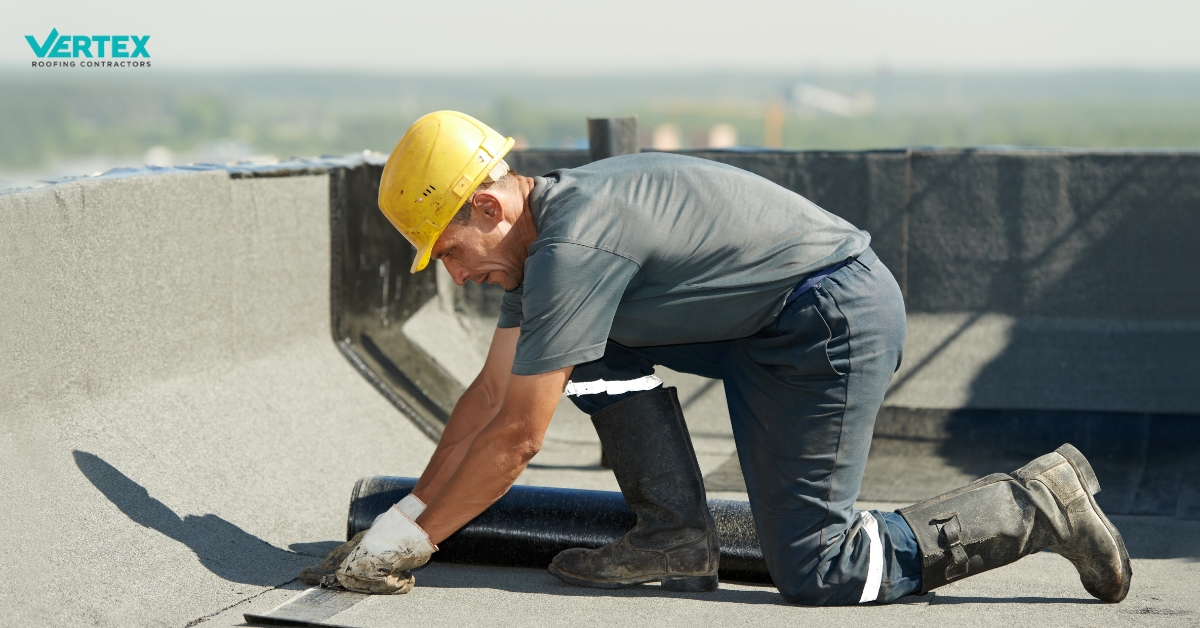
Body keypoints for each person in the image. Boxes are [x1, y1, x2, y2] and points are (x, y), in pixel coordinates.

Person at [319, 111, 1131, 605]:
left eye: (453, 251)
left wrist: (412, 545)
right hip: (768, 325)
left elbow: (515, 441)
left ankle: (1032, 507)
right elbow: (488, 400)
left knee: (820, 570)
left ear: (490, 206)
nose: (457, 275)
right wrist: (401, 516)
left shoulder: (573, 246)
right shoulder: (542, 252)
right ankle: (675, 535)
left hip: (829, 322)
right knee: (571, 349)